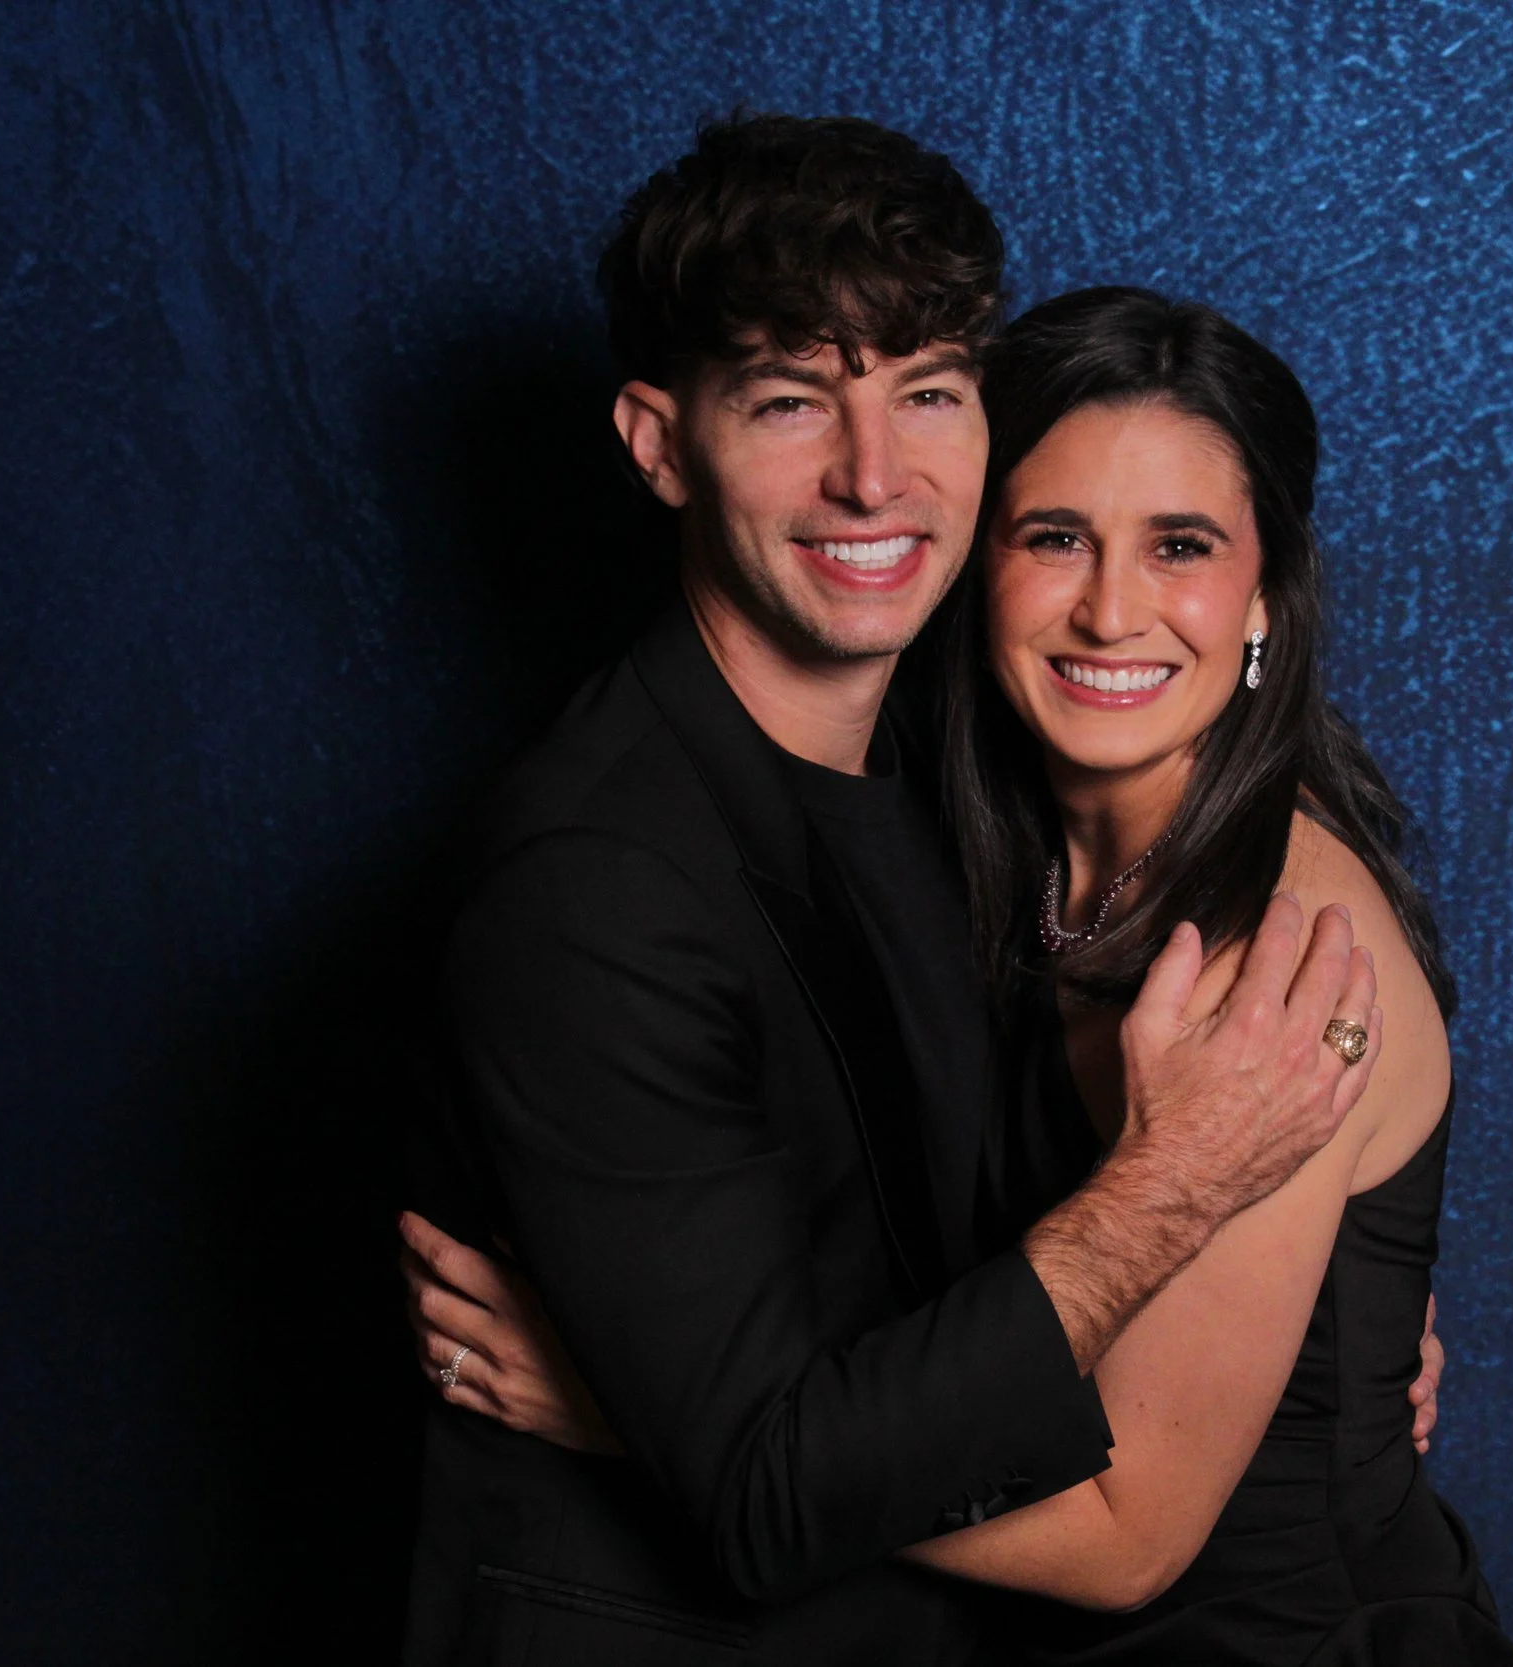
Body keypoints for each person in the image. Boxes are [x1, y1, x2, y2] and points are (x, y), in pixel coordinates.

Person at [399, 115, 1394, 1667]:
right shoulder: (593, 888)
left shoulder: (959, 781)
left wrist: (1321, 1348)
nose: (875, 477)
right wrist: (1176, 1187)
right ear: (660, 444)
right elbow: (762, 1487)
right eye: (791, 401)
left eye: (927, 391)